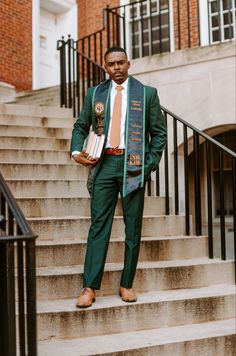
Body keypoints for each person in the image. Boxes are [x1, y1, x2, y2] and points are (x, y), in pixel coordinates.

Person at [70, 46, 166, 308]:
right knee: (98, 226)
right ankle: (89, 287)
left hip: (133, 165)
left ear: (129, 64)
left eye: (121, 63)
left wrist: (149, 165)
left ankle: (126, 284)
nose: (117, 68)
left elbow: (159, 134)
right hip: (105, 164)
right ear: (105, 66)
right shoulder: (96, 94)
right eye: (111, 64)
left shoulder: (146, 94)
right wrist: (77, 151)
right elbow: (81, 126)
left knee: (133, 228)